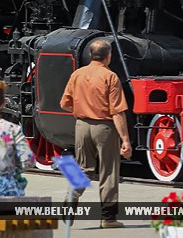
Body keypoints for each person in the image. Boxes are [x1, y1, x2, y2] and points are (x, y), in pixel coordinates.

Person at [60, 39, 132, 229]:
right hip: (104, 128)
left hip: (82, 125)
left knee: (84, 168)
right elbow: (117, 111)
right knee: (109, 172)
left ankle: (70, 203)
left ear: (91, 55)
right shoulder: (110, 77)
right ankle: (108, 218)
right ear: (108, 56)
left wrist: (82, 110)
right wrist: (125, 139)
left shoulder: (77, 74)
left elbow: (64, 103)